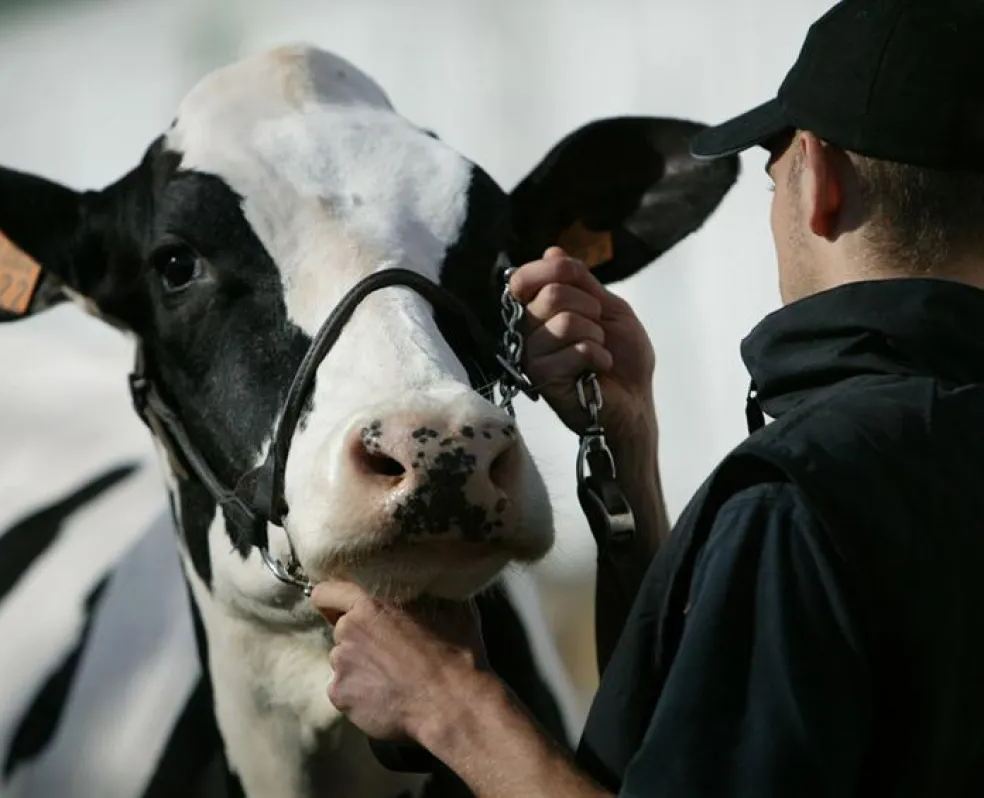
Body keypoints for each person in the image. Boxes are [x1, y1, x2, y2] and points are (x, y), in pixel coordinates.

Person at [310, 0, 984, 795]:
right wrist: (630, 448)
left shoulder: (803, 501)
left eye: (773, 168)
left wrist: (450, 705)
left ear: (821, 180)